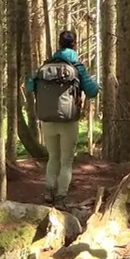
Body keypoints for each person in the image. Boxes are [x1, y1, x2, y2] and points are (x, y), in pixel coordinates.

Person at [25, 30, 100, 207]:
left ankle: (49, 191)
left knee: (53, 157)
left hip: (47, 121)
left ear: (59, 45)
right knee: (66, 161)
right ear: (74, 44)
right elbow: (92, 92)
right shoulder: (78, 67)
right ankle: (61, 197)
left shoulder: (45, 66)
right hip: (69, 121)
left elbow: (29, 86)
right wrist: (96, 84)